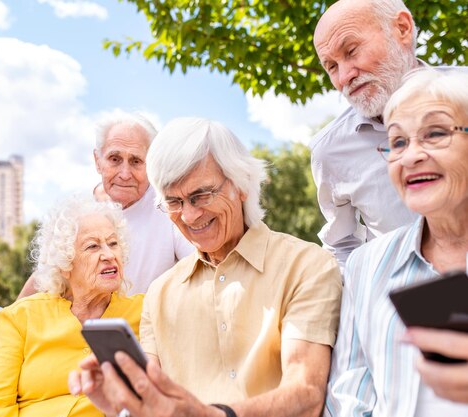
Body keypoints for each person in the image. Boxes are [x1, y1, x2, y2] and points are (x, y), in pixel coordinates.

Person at [69, 117, 342, 417]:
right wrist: (122, 403)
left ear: (241, 185)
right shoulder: (160, 294)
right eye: (173, 202)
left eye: (200, 195)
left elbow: (306, 394)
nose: (188, 216)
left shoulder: (305, 266)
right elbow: (152, 405)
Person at [325, 68, 468, 416]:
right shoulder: (366, 265)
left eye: (435, 133)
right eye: (399, 141)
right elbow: (350, 395)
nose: (410, 156)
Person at [0, 196, 143, 416]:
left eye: (113, 243)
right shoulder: (20, 317)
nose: (109, 255)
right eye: (92, 246)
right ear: (65, 263)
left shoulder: (145, 313)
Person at [19, 111, 193, 296]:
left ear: (152, 165)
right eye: (115, 159)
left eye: (136, 161)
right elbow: (46, 276)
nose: (125, 174)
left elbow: (202, 266)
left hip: (147, 322)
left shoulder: (171, 206)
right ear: (98, 161)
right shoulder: (75, 210)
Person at [311, 0, 424, 267]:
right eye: (331, 67)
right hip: (417, 304)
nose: (344, 78)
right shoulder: (329, 150)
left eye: (351, 51)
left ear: (402, 28)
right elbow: (341, 247)